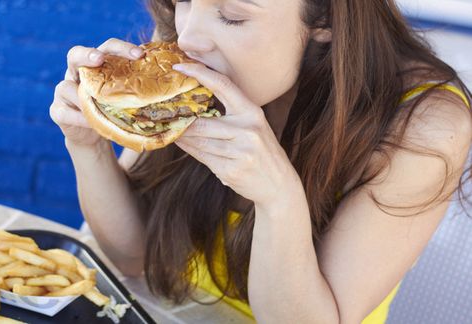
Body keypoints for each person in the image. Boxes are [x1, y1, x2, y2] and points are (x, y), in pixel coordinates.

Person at [50, 0, 472, 323]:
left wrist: (277, 198)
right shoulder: (182, 45)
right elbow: (133, 260)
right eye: (184, 1)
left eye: (232, 15)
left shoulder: (425, 125)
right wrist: (88, 145)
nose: (188, 38)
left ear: (326, 19)